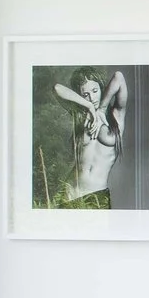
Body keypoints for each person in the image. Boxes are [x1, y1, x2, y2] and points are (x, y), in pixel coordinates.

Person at [53, 70, 129, 200]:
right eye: (86, 94)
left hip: (96, 196)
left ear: (102, 89)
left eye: (95, 91)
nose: (92, 98)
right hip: (69, 194)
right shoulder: (81, 115)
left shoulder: (116, 115)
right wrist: (88, 106)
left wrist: (102, 108)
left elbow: (119, 77)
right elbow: (57, 88)